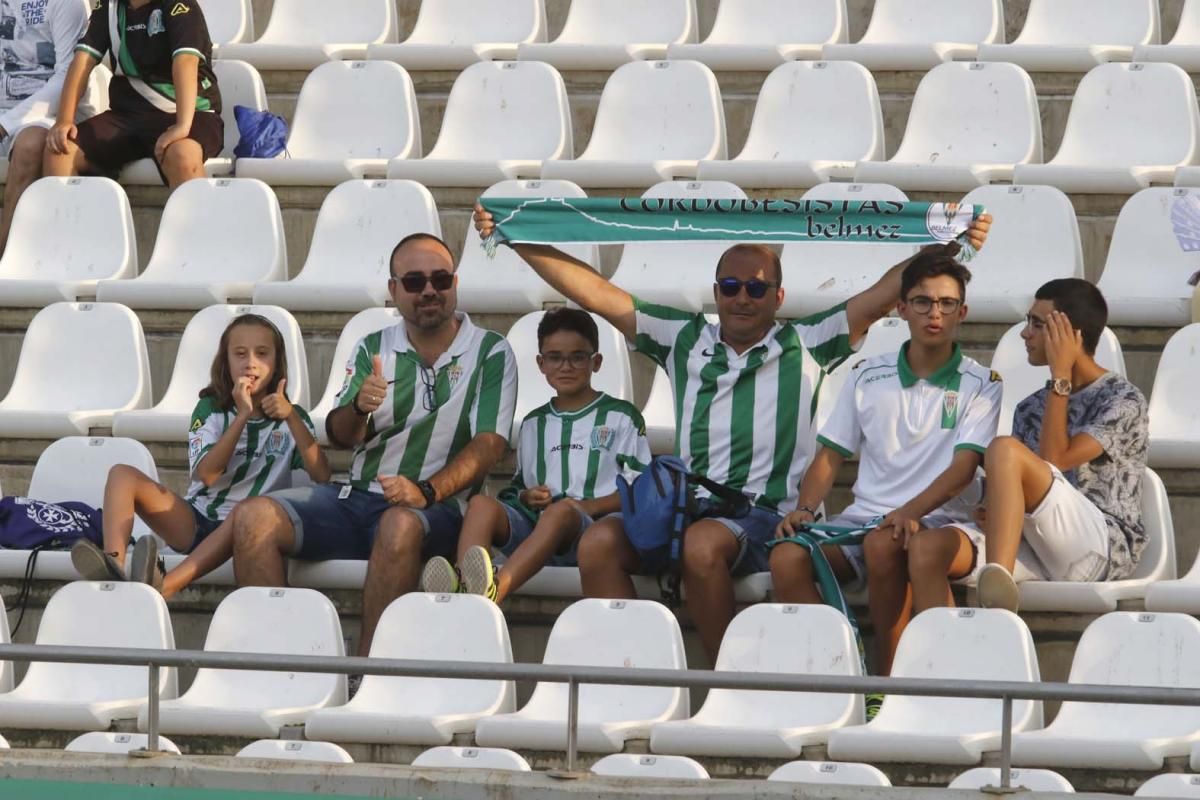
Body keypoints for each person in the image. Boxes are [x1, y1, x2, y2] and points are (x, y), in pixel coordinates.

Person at [473, 205, 992, 666]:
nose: (742, 298)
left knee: (702, 546)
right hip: (681, 507)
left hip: (762, 514)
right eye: (731, 287)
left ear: (778, 295)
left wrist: (950, 236)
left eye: (757, 288)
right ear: (716, 289)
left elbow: (886, 292)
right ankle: (641, 675)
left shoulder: (807, 341)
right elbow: (594, 293)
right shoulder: (683, 336)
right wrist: (518, 236)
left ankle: (729, 679)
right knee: (599, 543)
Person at [229, 233, 517, 659]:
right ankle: (280, 668)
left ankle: (367, 673)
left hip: (439, 507)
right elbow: (342, 435)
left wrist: (428, 491)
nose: (430, 291)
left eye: (441, 279)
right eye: (415, 282)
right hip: (357, 496)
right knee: (253, 517)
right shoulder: (373, 345)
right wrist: (359, 408)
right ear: (394, 290)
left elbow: (490, 444)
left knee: (398, 525)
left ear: (455, 283)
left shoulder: (491, 350)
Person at [770, 252, 1001, 682]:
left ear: (962, 312)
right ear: (901, 309)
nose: (935, 313)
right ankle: (838, 677)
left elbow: (964, 469)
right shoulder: (865, 374)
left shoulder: (983, 383)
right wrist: (804, 508)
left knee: (883, 544)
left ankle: (887, 685)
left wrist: (908, 513)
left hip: (941, 521)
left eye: (947, 303)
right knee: (786, 557)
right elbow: (829, 456)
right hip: (864, 520)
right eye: (923, 302)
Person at [71, 314, 330, 597]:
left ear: (276, 363)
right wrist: (242, 416)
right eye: (240, 354)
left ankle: (165, 585)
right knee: (121, 474)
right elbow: (207, 474)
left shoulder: (293, 419)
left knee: (244, 513)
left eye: (262, 354)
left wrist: (291, 416)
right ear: (226, 362)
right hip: (199, 520)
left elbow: (322, 476)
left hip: (251, 530)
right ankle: (114, 566)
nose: (250, 362)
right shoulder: (211, 408)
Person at [421, 307, 651, 603]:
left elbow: (641, 486)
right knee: (480, 505)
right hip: (538, 534)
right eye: (555, 357)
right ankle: (467, 581)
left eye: (577, 357)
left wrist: (588, 506)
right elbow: (518, 488)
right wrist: (527, 498)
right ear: (541, 364)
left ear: (596, 362)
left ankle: (490, 592)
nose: (565, 366)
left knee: (561, 511)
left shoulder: (622, 416)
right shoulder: (533, 423)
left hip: (595, 533)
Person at [975, 279, 1148, 612]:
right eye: (1028, 321)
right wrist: (992, 511)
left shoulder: (1124, 400)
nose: (1025, 334)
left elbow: (1055, 461)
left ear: (1072, 336)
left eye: (1038, 324)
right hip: (1040, 544)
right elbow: (1028, 491)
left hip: (1100, 551)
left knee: (1004, 449)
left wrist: (1060, 375)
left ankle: (995, 598)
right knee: (932, 548)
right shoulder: (1030, 407)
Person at [44, 0, 222, 187]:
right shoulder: (109, 7)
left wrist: (183, 126)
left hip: (189, 114)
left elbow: (185, 61)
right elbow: (83, 60)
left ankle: (197, 216)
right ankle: (69, 216)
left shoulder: (180, 5)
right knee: (59, 151)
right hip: (127, 116)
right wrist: (64, 120)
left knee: (183, 156)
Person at [0, 0, 102, 252]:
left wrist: (5, 124)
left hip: (53, 112)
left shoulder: (67, 4)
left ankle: (5, 255)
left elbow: (69, 75)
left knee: (31, 144)